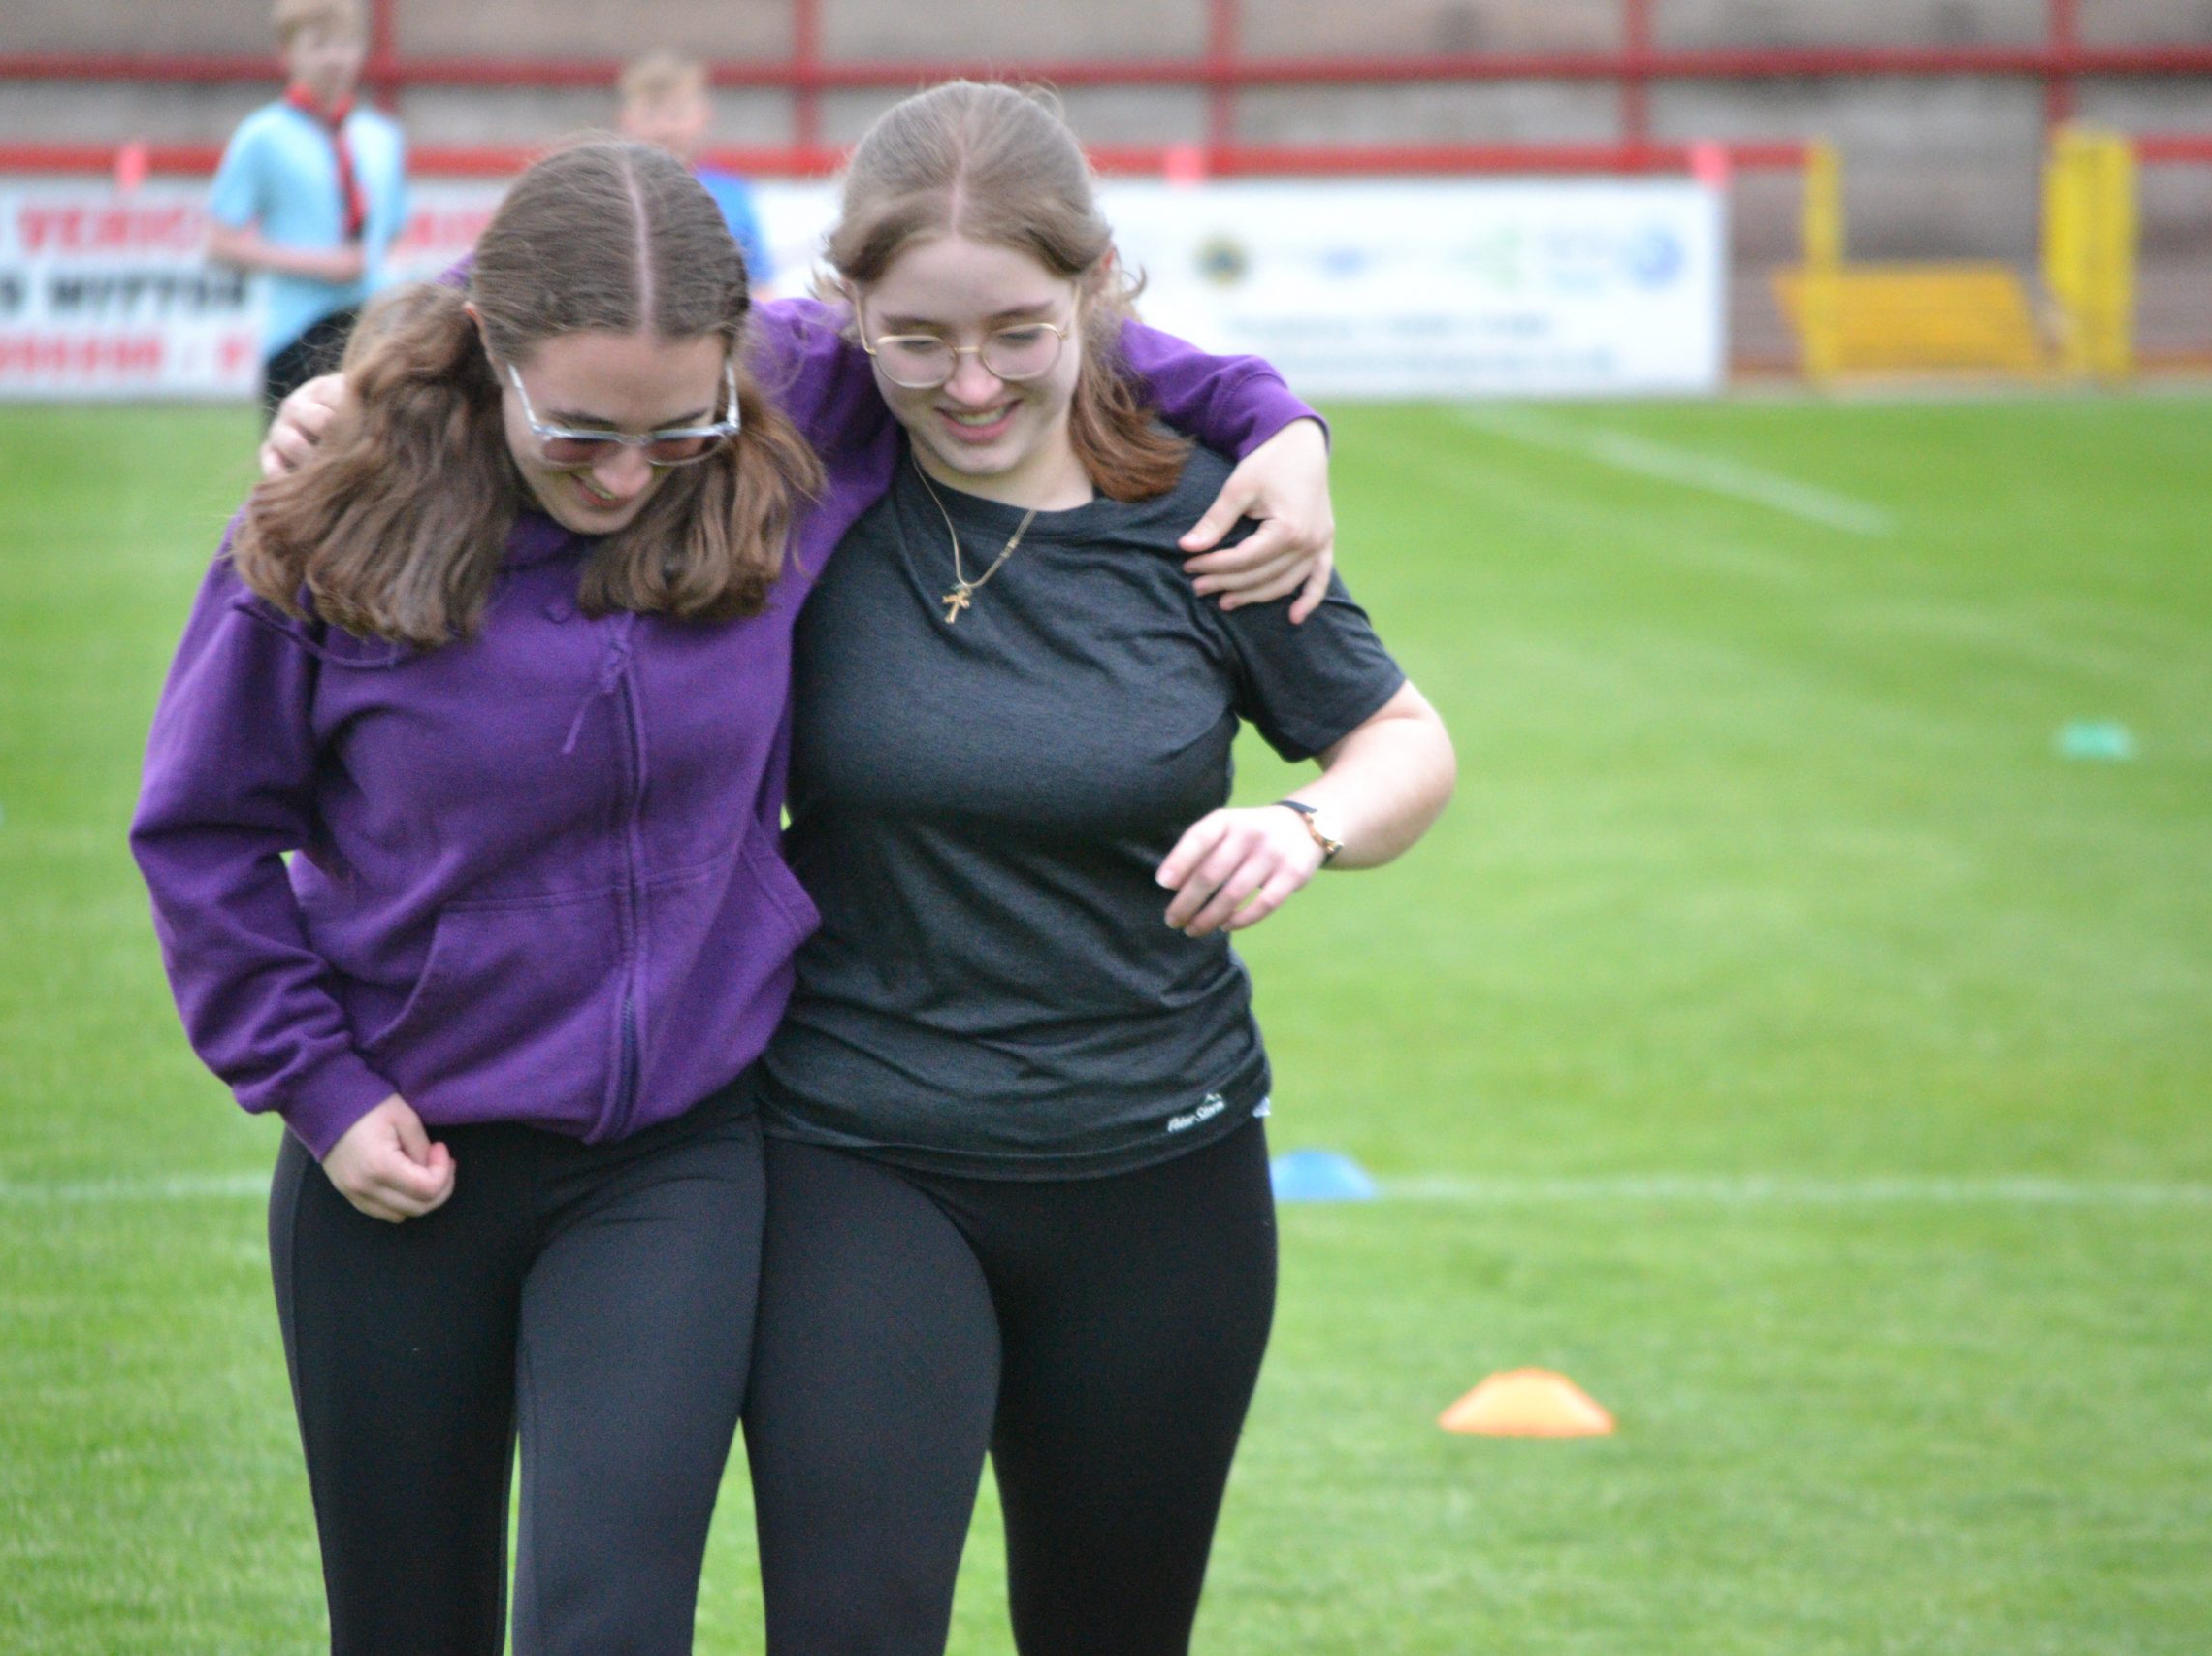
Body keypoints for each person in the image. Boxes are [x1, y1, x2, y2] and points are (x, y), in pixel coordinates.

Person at [161, 134, 1336, 1653]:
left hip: (678, 1155)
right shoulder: (328, 518)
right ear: (495, 364)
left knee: (610, 1621)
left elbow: (1025, 322)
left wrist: (1271, 414)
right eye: (580, 434)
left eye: (681, 427)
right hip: (397, 1149)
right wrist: (315, 1082)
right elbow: (201, 830)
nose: (634, 473)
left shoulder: (793, 403)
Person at [738, 82, 1454, 1656]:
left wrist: (1305, 823)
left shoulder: (1212, 512)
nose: (970, 381)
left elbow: (1407, 744)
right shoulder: (797, 489)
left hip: (1161, 1171)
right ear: (845, 305)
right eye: (917, 339)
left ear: (1097, 289)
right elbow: (558, 332)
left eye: (1016, 330)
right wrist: (352, 400)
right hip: (858, 1150)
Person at [208, 0, 408, 415]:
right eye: (319, 45)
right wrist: (321, 264)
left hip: (369, 334)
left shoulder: (381, 139)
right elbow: (219, 243)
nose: (334, 58)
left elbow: (389, 235)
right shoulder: (262, 137)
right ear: (287, 54)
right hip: (296, 332)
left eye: (345, 44)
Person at [619, 49, 773, 298]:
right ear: (626, 120)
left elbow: (762, 288)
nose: (664, 129)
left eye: (676, 115)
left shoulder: (732, 195)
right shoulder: (611, 194)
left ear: (704, 117)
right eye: (650, 115)